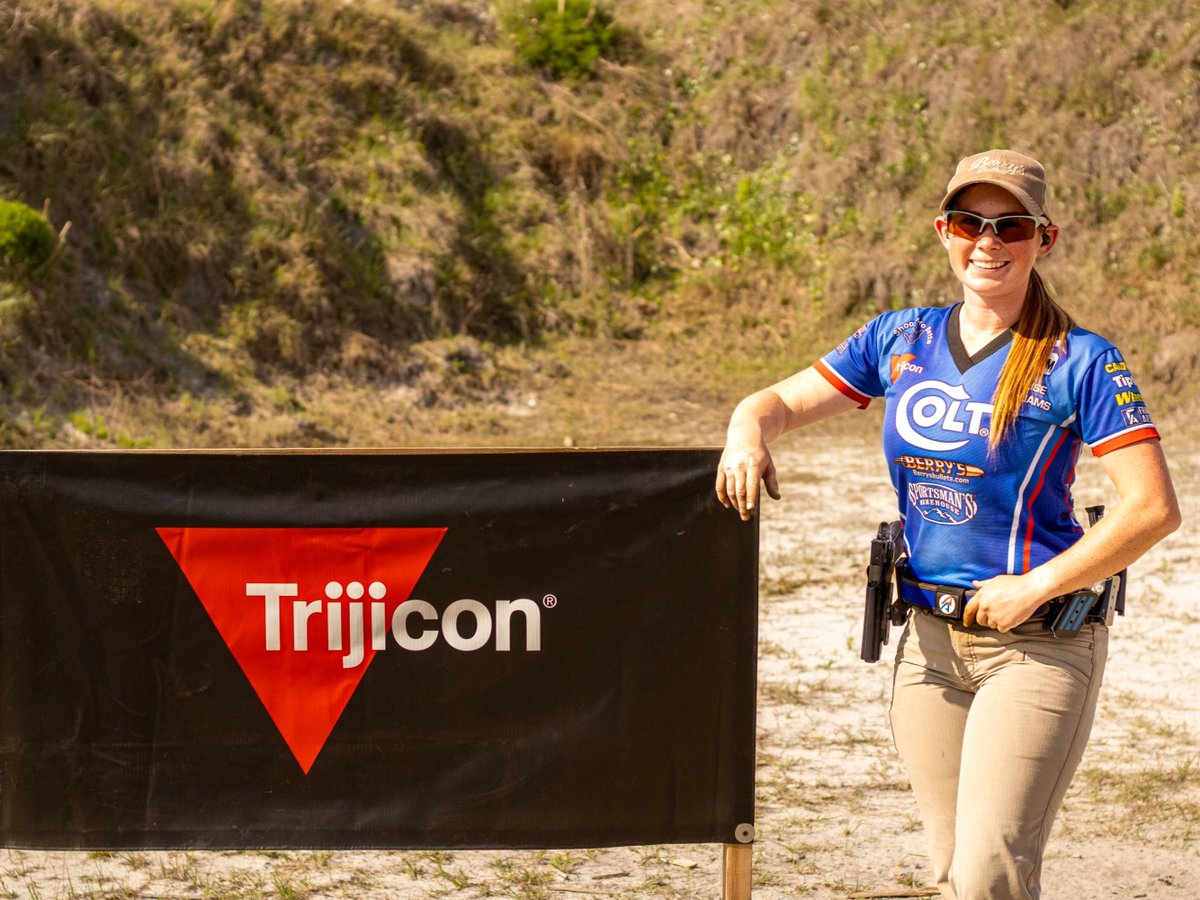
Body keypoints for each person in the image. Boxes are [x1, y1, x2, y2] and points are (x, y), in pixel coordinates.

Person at [715, 148, 1181, 900]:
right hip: (928, 644)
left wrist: (1037, 585)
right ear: (943, 230)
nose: (988, 242)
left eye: (1011, 226)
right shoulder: (901, 339)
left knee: (988, 873)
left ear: (1044, 239)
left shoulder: (1080, 360)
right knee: (947, 870)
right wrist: (746, 431)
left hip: (1039, 648)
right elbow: (778, 402)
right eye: (970, 222)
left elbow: (1152, 508)